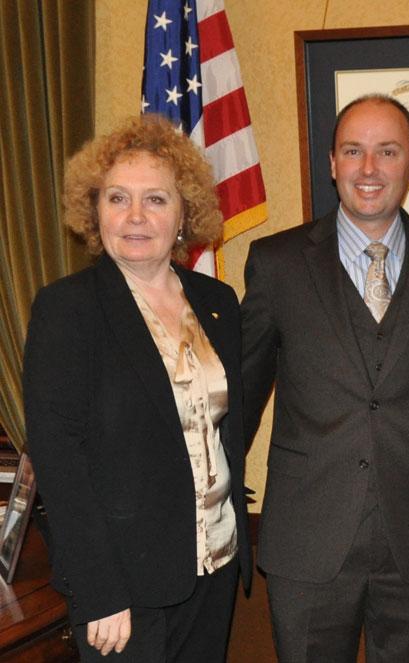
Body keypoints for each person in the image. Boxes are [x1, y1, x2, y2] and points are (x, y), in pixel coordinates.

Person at [241, 94, 409, 662]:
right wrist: (221, 504)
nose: (369, 169)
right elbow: (244, 396)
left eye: (388, 151)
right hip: (306, 538)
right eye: (353, 151)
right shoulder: (276, 264)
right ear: (332, 163)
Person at [22, 114, 253, 661]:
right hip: (124, 588)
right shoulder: (68, 310)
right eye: (117, 198)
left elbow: (223, 431)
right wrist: (99, 591)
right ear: (93, 210)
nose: (134, 217)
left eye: (156, 200)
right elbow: (61, 463)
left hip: (214, 564)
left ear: (183, 215)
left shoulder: (217, 301)